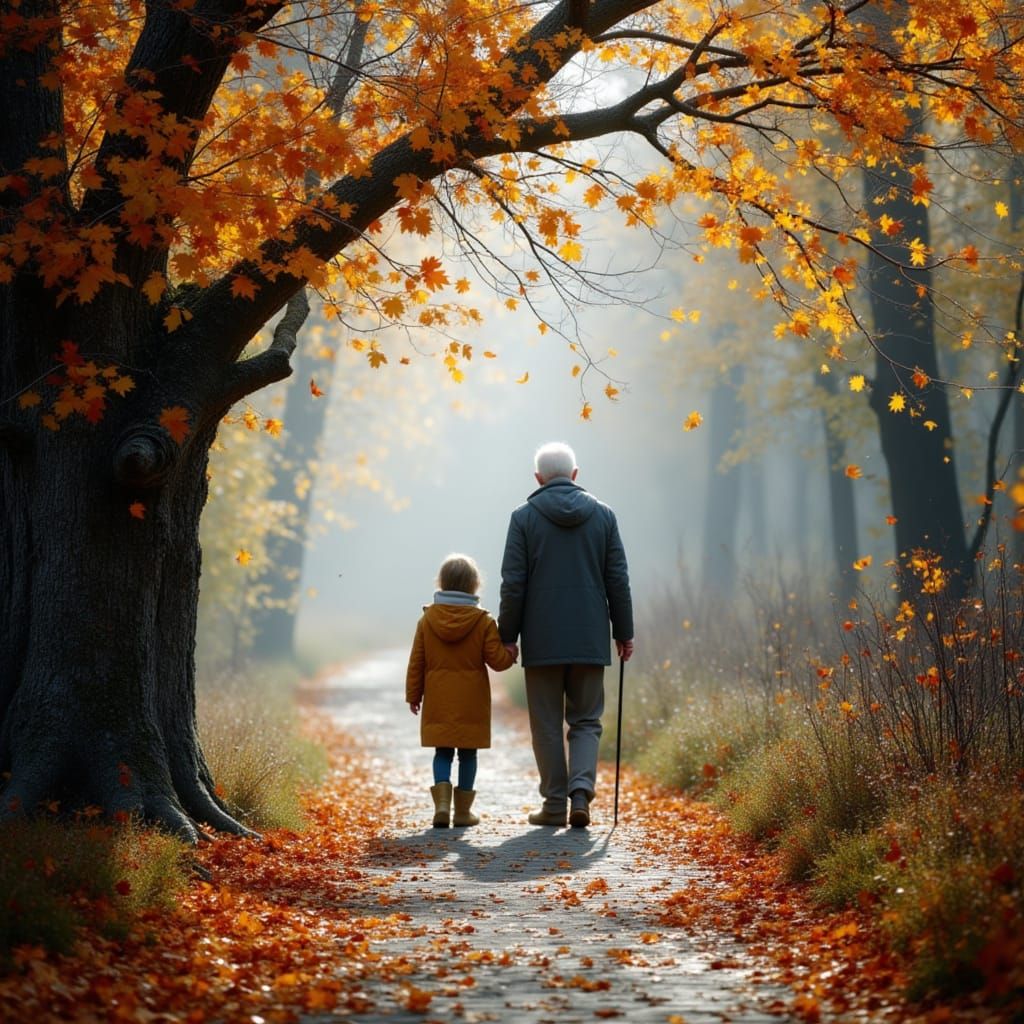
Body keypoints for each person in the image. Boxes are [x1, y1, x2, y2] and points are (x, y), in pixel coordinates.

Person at [498, 442, 634, 829]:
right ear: (575, 475)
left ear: (538, 478)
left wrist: (507, 635)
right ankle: (581, 795)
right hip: (590, 637)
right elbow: (618, 581)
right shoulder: (604, 516)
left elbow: (513, 584)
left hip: (542, 638)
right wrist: (624, 632)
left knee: (545, 722)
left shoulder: (523, 518)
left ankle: (555, 804)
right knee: (587, 720)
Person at [406, 553, 517, 828]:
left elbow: (416, 662)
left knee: (442, 752)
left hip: (438, 698)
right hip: (472, 701)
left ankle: (442, 806)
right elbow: (497, 661)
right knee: (468, 754)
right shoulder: (482, 621)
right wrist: (511, 652)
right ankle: (464, 813)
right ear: (474, 585)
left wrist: (413, 695)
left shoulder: (427, 620)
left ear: (442, 582)